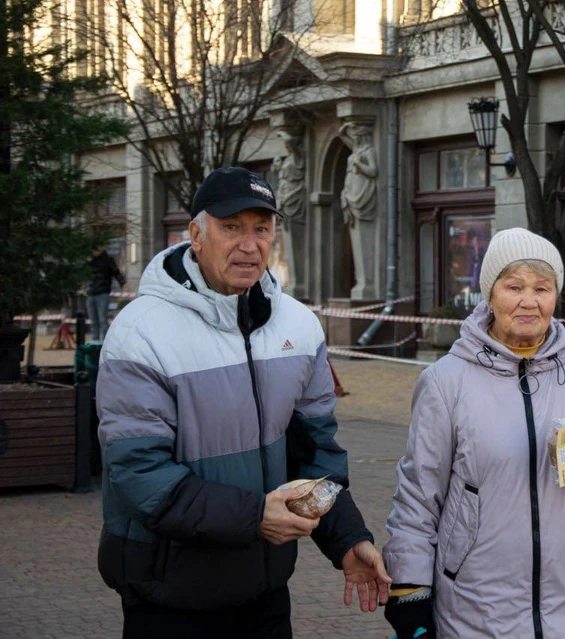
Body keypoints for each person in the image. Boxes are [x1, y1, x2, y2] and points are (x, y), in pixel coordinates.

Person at [96, 167, 391, 639]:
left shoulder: (298, 325)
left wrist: (346, 538)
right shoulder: (140, 332)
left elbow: (315, 454)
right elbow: (139, 474)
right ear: (196, 234)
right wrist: (255, 518)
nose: (249, 244)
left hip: (265, 592)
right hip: (169, 594)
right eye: (231, 227)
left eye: (261, 228)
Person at [382, 227, 565, 639]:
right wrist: (410, 589)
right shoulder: (445, 381)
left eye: (542, 288)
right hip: (478, 604)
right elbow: (418, 495)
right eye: (514, 286)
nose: (529, 301)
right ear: (490, 295)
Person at [86, 246, 126, 341]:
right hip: (91, 293)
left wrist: (123, 284)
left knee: (103, 320)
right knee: (94, 322)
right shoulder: (89, 260)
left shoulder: (107, 260)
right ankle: (95, 343)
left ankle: (106, 342)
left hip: (102, 293)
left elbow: (116, 272)